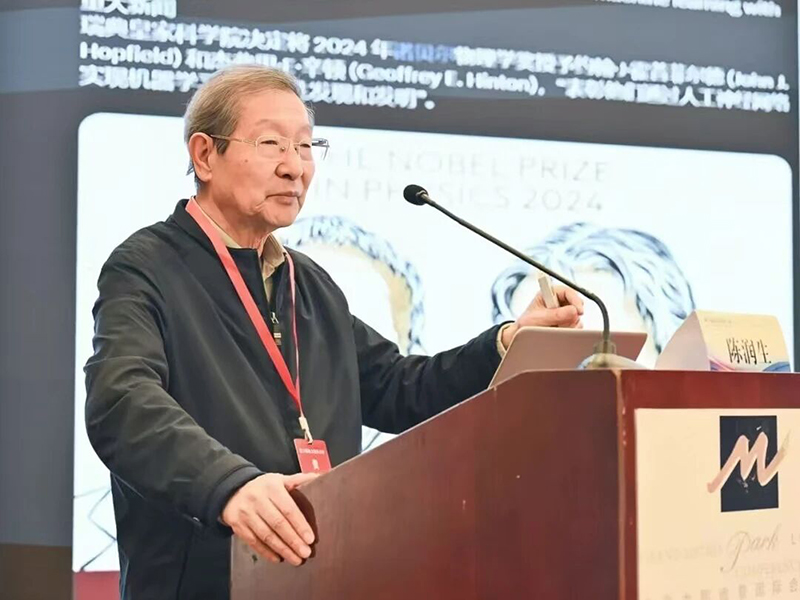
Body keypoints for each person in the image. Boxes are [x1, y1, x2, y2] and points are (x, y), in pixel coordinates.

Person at [84, 64, 584, 600]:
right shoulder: (147, 267)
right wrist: (230, 487)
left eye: (305, 146)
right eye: (271, 144)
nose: (294, 167)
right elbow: (121, 402)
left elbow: (397, 387)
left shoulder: (307, 283)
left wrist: (508, 343)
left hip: (318, 578)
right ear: (205, 155)